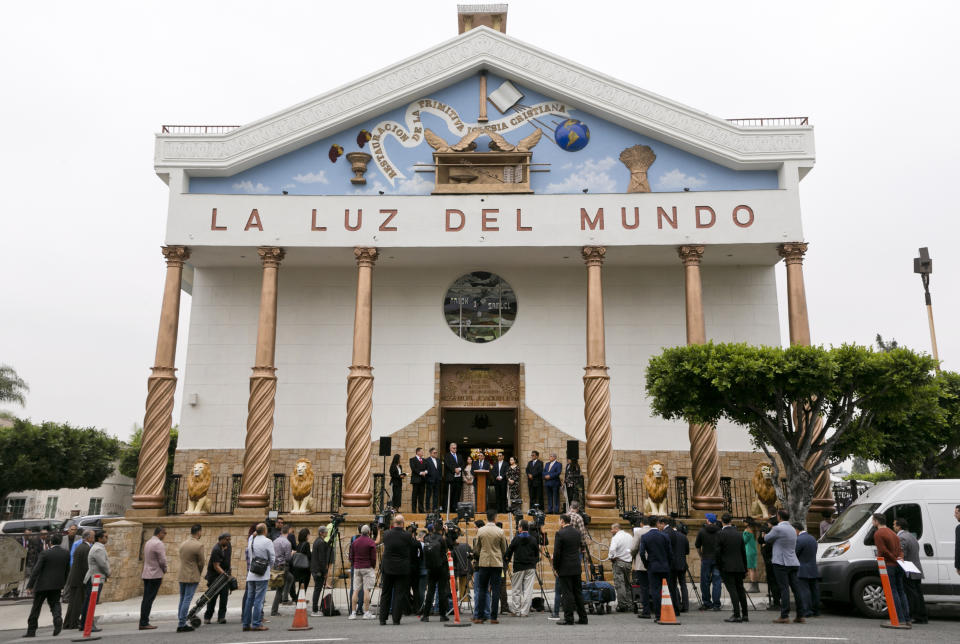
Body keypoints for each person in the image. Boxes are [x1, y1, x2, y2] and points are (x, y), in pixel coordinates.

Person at [23, 532, 70, 638]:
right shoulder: (66, 553)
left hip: (42, 585)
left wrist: (30, 585)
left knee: (36, 607)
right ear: (61, 542)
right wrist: (63, 583)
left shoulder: (45, 554)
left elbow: (36, 570)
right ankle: (58, 619)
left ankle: (31, 630)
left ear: (50, 542)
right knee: (55, 604)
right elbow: (67, 571)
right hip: (57, 585)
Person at [766, 509, 805, 624]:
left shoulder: (777, 528)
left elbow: (766, 538)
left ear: (778, 517)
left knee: (784, 589)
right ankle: (800, 615)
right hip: (793, 561)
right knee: (796, 589)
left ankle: (784, 615)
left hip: (781, 562)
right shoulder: (793, 529)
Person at [379, 514, 418, 625]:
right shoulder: (407, 535)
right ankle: (396, 619)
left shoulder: (386, 534)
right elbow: (413, 546)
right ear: (403, 523)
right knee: (399, 594)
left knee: (385, 593)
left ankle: (382, 618)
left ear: (394, 523)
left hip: (388, 567)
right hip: (402, 568)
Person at [872, 513, 909, 625]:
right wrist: (899, 558)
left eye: (873, 521)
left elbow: (882, 550)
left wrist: (893, 559)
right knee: (901, 591)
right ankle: (907, 618)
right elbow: (900, 549)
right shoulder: (893, 533)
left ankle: (899, 619)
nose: (872, 523)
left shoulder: (878, 533)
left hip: (888, 564)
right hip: (899, 565)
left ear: (877, 521)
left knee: (892, 591)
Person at [473, 510, 508, 624]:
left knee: (482, 589)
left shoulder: (481, 531)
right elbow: (504, 549)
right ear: (495, 518)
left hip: (483, 563)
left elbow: (477, 548)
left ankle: (479, 616)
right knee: (496, 589)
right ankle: (493, 617)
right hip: (496, 563)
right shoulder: (500, 531)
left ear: (487, 518)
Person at [554, 513, 588, 625]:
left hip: (565, 567)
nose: (559, 523)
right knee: (578, 592)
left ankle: (569, 618)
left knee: (567, 593)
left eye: (559, 521)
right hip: (576, 566)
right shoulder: (577, 533)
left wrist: (556, 567)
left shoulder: (560, 534)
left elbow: (557, 553)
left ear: (562, 521)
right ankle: (583, 617)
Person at [715, 513, 748, 623]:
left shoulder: (720, 534)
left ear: (722, 521)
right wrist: (745, 567)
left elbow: (717, 553)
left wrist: (719, 566)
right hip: (739, 566)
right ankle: (745, 614)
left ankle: (736, 614)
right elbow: (743, 552)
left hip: (727, 566)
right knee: (740, 590)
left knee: (733, 590)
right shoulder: (739, 534)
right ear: (731, 521)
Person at [639, 516, 673, 622]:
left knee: (655, 590)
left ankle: (658, 614)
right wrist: (669, 563)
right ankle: (668, 611)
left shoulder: (645, 536)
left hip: (652, 565)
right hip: (665, 565)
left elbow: (641, 552)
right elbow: (670, 552)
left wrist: (646, 564)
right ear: (658, 523)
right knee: (667, 590)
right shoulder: (665, 536)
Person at [242, 522, 275, 632]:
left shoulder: (251, 540)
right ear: (265, 531)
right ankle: (256, 624)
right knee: (258, 600)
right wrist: (268, 568)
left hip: (251, 573)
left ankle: (246, 624)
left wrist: (256, 531)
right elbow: (272, 558)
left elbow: (253, 534)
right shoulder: (268, 541)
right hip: (262, 574)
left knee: (249, 599)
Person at [505, 519, 538, 617]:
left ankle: (516, 610)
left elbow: (509, 550)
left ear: (520, 528)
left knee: (516, 589)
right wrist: (534, 562)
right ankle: (524, 612)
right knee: (528, 590)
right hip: (530, 567)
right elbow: (537, 553)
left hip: (519, 566)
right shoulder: (533, 539)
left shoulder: (516, 539)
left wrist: (507, 559)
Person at [79, 531, 110, 633]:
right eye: (105, 536)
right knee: (91, 602)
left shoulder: (98, 547)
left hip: (94, 578)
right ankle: (88, 624)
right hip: (95, 579)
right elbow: (103, 564)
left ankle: (84, 623)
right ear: (100, 538)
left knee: (89, 602)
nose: (107, 538)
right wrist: (108, 573)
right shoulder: (98, 549)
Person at [63, 529, 93, 630]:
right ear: (88, 537)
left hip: (75, 578)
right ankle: (73, 623)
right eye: (92, 536)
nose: (94, 538)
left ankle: (68, 623)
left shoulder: (81, 546)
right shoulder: (85, 548)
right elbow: (86, 566)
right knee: (77, 602)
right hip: (79, 579)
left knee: (73, 602)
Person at [177, 523, 205, 633]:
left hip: (182, 574)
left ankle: (181, 620)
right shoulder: (199, 545)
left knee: (182, 598)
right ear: (198, 532)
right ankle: (182, 624)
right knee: (187, 599)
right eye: (201, 531)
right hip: (192, 575)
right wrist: (198, 572)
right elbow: (202, 562)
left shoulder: (183, 544)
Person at [420, 522, 450, 622]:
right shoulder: (442, 539)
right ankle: (442, 615)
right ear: (441, 529)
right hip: (441, 568)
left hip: (430, 568)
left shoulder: (427, 538)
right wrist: (446, 534)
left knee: (430, 591)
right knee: (441, 591)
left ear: (432, 529)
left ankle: (425, 615)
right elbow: (446, 551)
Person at [139, 526, 167, 630]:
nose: (165, 535)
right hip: (155, 575)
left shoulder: (148, 542)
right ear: (160, 533)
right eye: (164, 533)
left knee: (146, 599)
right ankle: (144, 622)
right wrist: (165, 569)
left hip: (146, 574)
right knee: (149, 599)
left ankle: (143, 621)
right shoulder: (158, 544)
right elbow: (163, 560)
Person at [348, 524, 377, 619]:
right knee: (366, 590)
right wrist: (373, 566)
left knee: (355, 590)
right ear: (369, 532)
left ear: (360, 532)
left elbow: (351, 556)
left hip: (357, 567)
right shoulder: (371, 542)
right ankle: (366, 612)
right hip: (367, 567)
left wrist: (354, 564)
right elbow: (373, 558)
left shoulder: (355, 542)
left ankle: (353, 613)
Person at [694, 512, 722, 611]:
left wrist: (701, 555)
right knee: (717, 581)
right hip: (717, 559)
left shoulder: (702, 531)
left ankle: (706, 602)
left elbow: (697, 546)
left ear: (708, 521)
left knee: (705, 582)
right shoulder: (720, 531)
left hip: (706, 558)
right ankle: (716, 604)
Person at [204, 532, 232, 625]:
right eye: (227, 539)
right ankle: (207, 617)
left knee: (224, 598)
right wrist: (225, 575)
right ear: (221, 539)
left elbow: (228, 561)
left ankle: (221, 617)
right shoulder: (216, 549)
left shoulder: (229, 547)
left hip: (224, 576)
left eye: (229, 539)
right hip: (214, 577)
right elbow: (216, 566)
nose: (228, 541)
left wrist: (228, 575)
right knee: (212, 598)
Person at [632, 514, 656, 619]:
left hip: (641, 563)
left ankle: (646, 610)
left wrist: (632, 557)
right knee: (655, 586)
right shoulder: (656, 532)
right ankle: (656, 608)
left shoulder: (639, 532)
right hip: (653, 562)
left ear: (642, 523)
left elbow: (634, 548)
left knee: (644, 588)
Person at [795, 523, 820, 618]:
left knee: (804, 591)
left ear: (796, 529)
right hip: (813, 568)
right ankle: (816, 610)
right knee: (815, 590)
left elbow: (795, 554)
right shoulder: (813, 538)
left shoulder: (799, 540)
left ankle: (807, 611)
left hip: (802, 568)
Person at [608, 522, 633, 612]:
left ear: (616, 529)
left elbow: (612, 549)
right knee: (628, 584)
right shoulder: (629, 536)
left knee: (620, 584)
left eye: (612, 529)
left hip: (618, 562)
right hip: (628, 562)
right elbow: (633, 548)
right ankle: (630, 604)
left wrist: (611, 557)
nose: (611, 531)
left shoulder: (616, 538)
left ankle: (622, 605)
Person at [270, 524, 294, 616]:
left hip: (276, 565)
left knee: (290, 578)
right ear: (288, 532)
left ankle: (284, 597)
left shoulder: (275, 541)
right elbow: (288, 558)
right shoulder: (287, 543)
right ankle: (274, 610)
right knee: (279, 589)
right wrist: (292, 553)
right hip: (283, 566)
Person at [663, 517, 685, 612]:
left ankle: (675, 606)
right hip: (681, 563)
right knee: (681, 584)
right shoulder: (682, 536)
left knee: (672, 586)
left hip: (671, 564)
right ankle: (682, 605)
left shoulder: (667, 533)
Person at [310, 525, 333, 616]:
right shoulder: (320, 542)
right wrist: (325, 572)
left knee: (317, 589)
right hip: (318, 570)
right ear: (321, 533)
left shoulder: (318, 541)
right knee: (317, 590)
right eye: (325, 532)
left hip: (315, 569)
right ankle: (314, 610)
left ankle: (314, 609)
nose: (327, 533)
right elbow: (322, 559)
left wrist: (330, 540)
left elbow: (324, 547)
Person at [291, 528, 312, 600]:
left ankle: (298, 598)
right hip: (305, 568)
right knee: (304, 585)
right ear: (306, 535)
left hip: (298, 567)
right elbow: (308, 556)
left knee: (300, 584)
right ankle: (300, 600)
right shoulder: (306, 544)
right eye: (309, 534)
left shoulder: (299, 544)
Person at [444, 442, 464, 508]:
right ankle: (448, 508)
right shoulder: (447, 455)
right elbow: (447, 465)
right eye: (453, 448)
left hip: (458, 479)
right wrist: (454, 469)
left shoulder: (459, 456)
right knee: (449, 494)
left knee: (457, 494)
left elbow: (463, 464)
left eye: (456, 448)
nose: (455, 449)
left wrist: (459, 469)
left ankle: (455, 508)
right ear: (450, 448)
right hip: (450, 478)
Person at [743, 519, 760, 593]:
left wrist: (743, 533)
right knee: (754, 568)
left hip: (749, 551)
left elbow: (744, 541)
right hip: (753, 550)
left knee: (751, 569)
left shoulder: (747, 531)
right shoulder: (754, 530)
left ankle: (753, 587)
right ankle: (756, 586)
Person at [410, 447, 428, 512]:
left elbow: (427, 468)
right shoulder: (412, 460)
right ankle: (414, 510)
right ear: (417, 452)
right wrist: (420, 473)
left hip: (423, 480)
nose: (423, 453)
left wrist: (425, 472)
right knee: (414, 496)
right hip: (416, 480)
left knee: (421, 496)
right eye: (421, 451)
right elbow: (413, 469)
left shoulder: (424, 460)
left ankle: (421, 509)